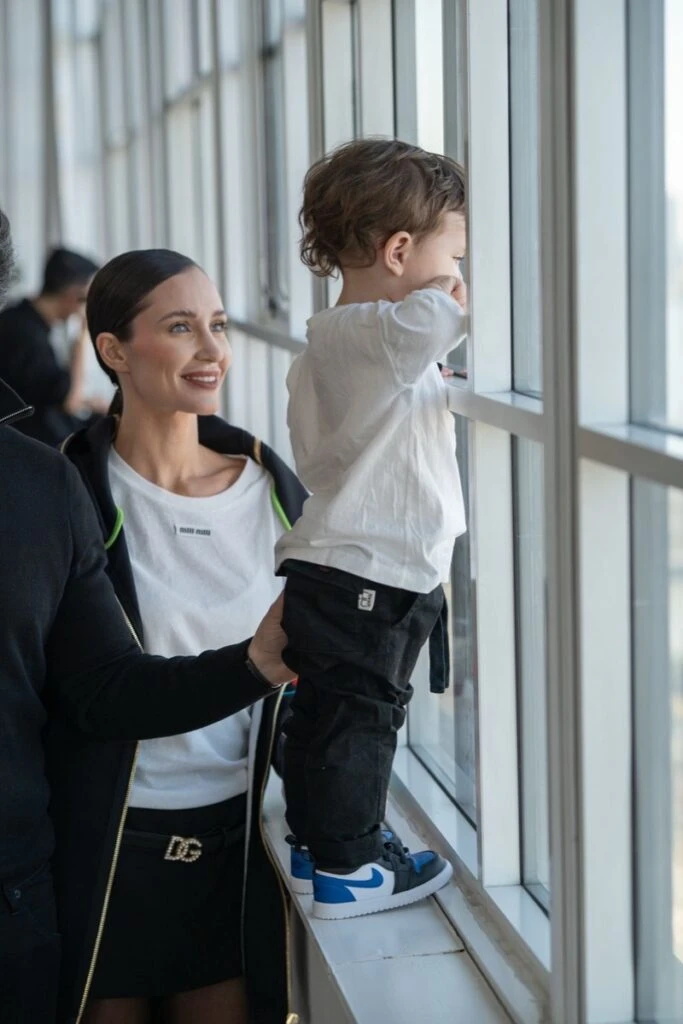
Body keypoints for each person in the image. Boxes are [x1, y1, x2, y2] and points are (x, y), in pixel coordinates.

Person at [0, 208, 294, 1024]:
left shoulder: (276, 493)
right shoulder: (64, 489)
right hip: (99, 844)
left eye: (219, 326)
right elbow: (89, 689)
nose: (212, 350)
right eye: (180, 327)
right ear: (113, 352)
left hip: (237, 844)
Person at [276, 138, 469, 920]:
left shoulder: (345, 341)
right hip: (372, 569)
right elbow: (439, 313)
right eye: (453, 253)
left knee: (332, 711)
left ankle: (318, 841)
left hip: (349, 563)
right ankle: (350, 868)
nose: (459, 273)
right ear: (398, 250)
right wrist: (452, 290)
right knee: (360, 718)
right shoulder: (380, 334)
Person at [0, 246, 104, 446]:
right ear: (74, 294)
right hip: (26, 442)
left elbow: (42, 390)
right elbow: (69, 401)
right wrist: (82, 337)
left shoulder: (22, 321)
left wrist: (89, 403)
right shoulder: (26, 333)